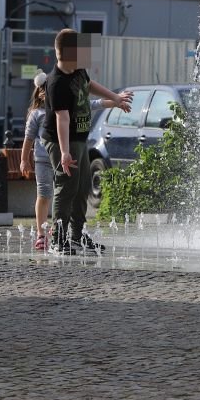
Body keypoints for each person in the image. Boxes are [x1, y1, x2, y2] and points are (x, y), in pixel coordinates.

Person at [43, 29, 131, 254]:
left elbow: (90, 85)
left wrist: (115, 98)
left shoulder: (79, 71)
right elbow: (62, 119)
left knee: (82, 188)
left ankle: (76, 235)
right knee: (66, 187)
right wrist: (64, 153)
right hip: (62, 140)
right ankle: (58, 238)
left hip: (80, 139)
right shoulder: (56, 83)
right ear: (68, 53)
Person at [19, 73, 54, 251]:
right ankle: (41, 232)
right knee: (44, 194)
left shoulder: (60, 110)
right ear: (41, 94)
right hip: (42, 160)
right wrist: (24, 160)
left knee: (61, 195)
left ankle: (56, 229)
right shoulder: (37, 114)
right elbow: (28, 138)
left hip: (60, 159)